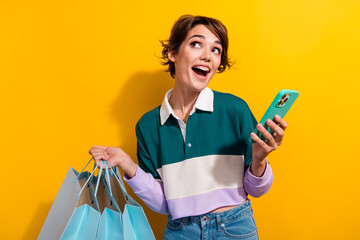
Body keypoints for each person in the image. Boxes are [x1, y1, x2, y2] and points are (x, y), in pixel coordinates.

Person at [89, 15, 288, 240]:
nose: (207, 56)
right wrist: (128, 165)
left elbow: (257, 189)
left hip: (233, 228)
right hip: (180, 232)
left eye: (216, 50)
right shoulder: (148, 126)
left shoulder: (235, 110)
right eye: (196, 44)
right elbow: (164, 203)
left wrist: (260, 159)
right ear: (172, 53)